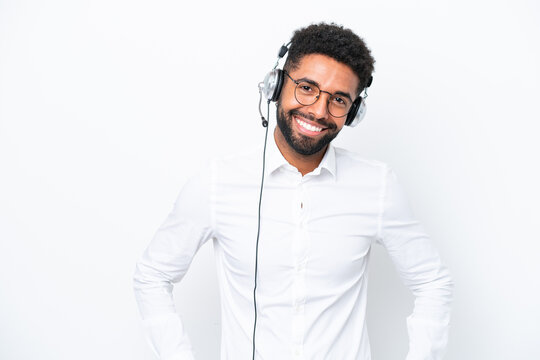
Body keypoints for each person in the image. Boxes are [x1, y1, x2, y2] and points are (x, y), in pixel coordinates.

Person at [133, 22, 453, 360]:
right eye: (307, 87)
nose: (318, 110)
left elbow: (433, 282)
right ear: (276, 84)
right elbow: (152, 275)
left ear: (354, 111)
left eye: (339, 100)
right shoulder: (217, 182)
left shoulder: (377, 186)